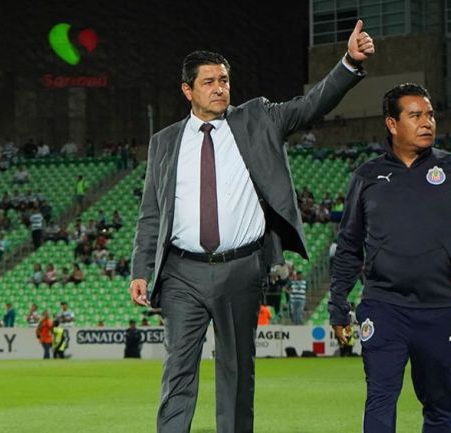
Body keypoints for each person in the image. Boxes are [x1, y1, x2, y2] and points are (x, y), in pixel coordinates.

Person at [129, 22, 374, 433]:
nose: (220, 88)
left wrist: (349, 62)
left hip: (241, 268)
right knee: (178, 372)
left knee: (237, 372)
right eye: (208, 82)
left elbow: (311, 104)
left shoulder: (257, 118)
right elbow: (151, 212)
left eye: (224, 80)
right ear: (187, 91)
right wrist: (140, 268)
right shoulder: (165, 142)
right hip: (180, 273)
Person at [328, 81, 451, 432]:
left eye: (431, 115)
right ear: (392, 124)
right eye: (416, 115)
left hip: (439, 308)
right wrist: (337, 303)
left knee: (438, 407)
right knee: (380, 397)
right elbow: (349, 244)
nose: (428, 122)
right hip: (383, 306)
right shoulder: (367, 176)